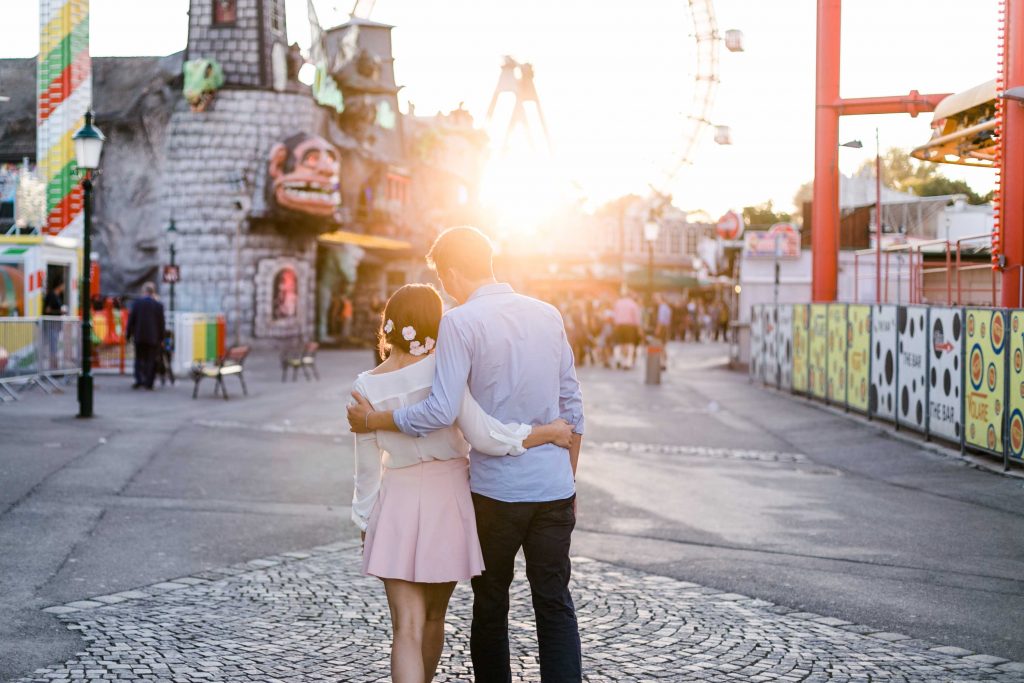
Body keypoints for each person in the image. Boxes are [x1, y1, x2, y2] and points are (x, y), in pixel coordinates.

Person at [349, 226, 585, 682]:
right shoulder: (549, 314)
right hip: (549, 487)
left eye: (443, 277)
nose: (445, 288)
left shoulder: (459, 322)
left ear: (453, 270)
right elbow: (572, 406)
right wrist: (566, 474)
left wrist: (377, 422)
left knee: (488, 606)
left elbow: (442, 411)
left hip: (492, 494)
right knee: (555, 604)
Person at [126, 282, 165, 390]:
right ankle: (149, 382)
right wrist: (162, 338)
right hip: (153, 337)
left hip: (139, 336)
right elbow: (161, 323)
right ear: (153, 292)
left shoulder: (137, 303)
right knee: (151, 359)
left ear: (144, 291)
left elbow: (131, 320)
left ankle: (139, 380)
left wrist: (128, 335)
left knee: (139, 358)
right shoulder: (158, 305)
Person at [611, 289, 642, 369]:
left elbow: (614, 315)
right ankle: (627, 362)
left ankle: (619, 359)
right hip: (629, 326)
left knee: (620, 343)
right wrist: (639, 329)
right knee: (629, 344)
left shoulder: (618, 303)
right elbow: (636, 318)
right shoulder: (633, 304)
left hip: (619, 325)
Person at [654, 294, 672, 370]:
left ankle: (662, 362)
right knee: (663, 346)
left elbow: (660, 320)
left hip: (662, 328)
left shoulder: (662, 307)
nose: (655, 300)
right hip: (666, 328)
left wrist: (657, 329)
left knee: (661, 346)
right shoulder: (667, 307)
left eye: (657, 298)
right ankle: (664, 362)